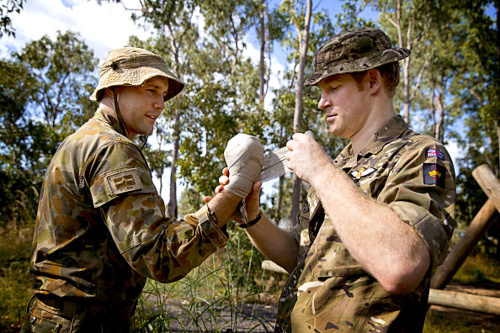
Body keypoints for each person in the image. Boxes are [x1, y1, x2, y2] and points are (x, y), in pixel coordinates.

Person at [215, 27, 456, 332]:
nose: (321, 102)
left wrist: (321, 172)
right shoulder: (339, 166)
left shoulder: (419, 155)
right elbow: (304, 258)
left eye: (333, 87)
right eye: (320, 91)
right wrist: (251, 218)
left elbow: (401, 266)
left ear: (371, 81)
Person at [22, 47, 257, 333]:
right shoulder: (113, 149)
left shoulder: (81, 140)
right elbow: (159, 257)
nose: (160, 103)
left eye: (163, 94)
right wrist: (233, 193)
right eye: (150, 90)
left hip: (58, 319)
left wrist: (219, 206)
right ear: (113, 88)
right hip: (83, 323)